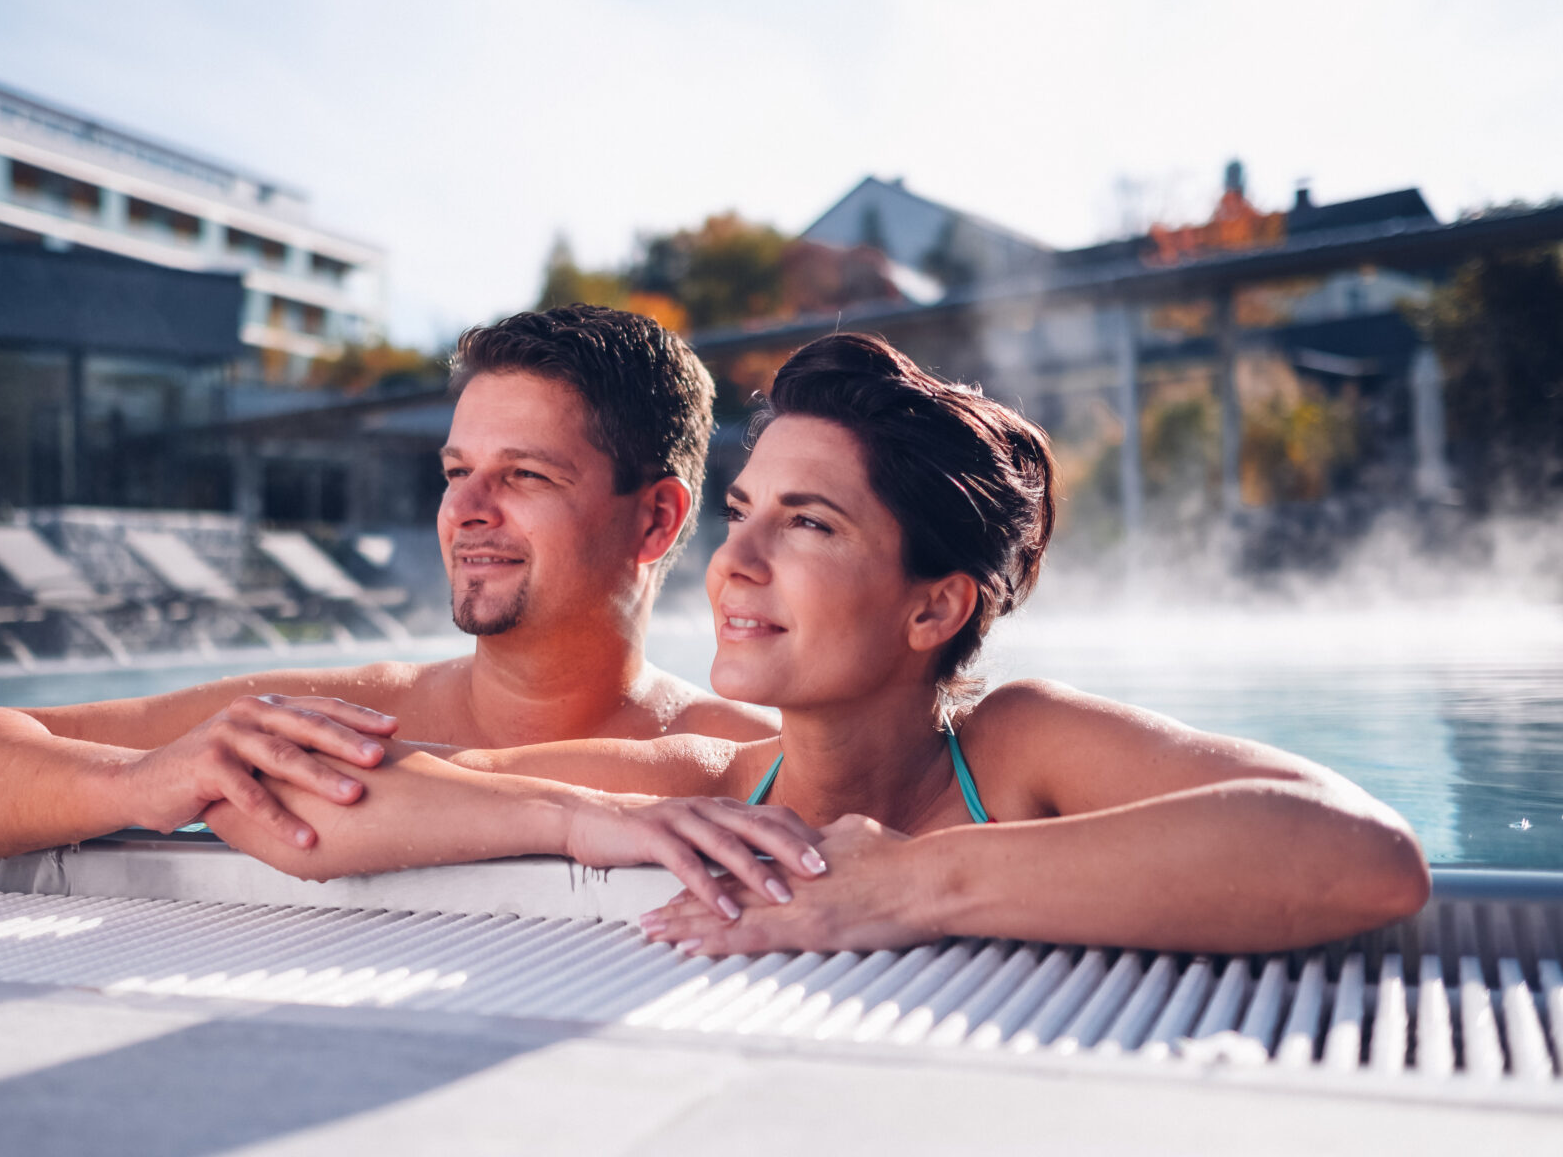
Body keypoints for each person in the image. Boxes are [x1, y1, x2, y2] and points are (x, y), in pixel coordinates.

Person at [204, 333, 1431, 955]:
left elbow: (1365, 860)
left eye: (812, 523)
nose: (735, 565)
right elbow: (289, 810)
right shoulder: (708, 783)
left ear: (934, 607)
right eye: (742, 514)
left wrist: (909, 885)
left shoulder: (1020, 756)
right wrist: (580, 819)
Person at [0, 306, 781, 863]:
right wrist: (142, 783)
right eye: (455, 470)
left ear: (657, 519)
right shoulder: (339, 708)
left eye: (525, 476)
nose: (465, 508)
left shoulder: (740, 751)